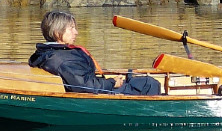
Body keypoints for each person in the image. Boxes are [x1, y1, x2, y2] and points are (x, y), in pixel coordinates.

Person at [29, 11, 161, 95]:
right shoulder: (62, 59)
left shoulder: (50, 53)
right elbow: (85, 86)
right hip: (99, 93)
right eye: (71, 28)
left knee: (133, 76)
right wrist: (112, 83)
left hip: (98, 87)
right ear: (58, 33)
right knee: (149, 83)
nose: (76, 32)